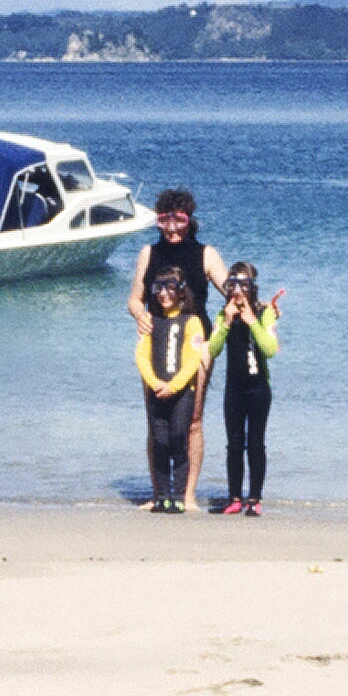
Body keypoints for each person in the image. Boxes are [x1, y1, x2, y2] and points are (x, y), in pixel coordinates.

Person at [127, 188, 229, 503]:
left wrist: (254, 311)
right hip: (156, 338)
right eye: (164, 222)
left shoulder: (206, 254)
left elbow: (232, 293)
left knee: (193, 420)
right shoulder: (148, 253)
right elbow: (134, 298)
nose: (171, 230)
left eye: (179, 222)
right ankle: (160, 494)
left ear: (189, 221)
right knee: (155, 418)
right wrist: (139, 314)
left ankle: (187, 496)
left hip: (196, 341)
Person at [208, 263, 283, 515]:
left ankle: (255, 498)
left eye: (243, 286)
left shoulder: (265, 313)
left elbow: (270, 349)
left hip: (258, 388)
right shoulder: (223, 314)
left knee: (256, 443)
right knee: (234, 444)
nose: (237, 291)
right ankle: (234, 496)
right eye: (232, 286)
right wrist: (228, 323)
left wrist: (253, 322)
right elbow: (212, 350)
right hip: (234, 388)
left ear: (252, 288)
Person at [135, 267, 203, 513]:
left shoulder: (191, 322)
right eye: (159, 289)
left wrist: (174, 386)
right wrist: (155, 383)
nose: (164, 294)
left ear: (181, 292)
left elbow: (193, 359)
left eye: (170, 288)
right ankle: (162, 494)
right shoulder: (152, 321)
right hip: (157, 391)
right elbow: (141, 355)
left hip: (182, 392)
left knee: (178, 439)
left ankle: (179, 496)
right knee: (159, 440)